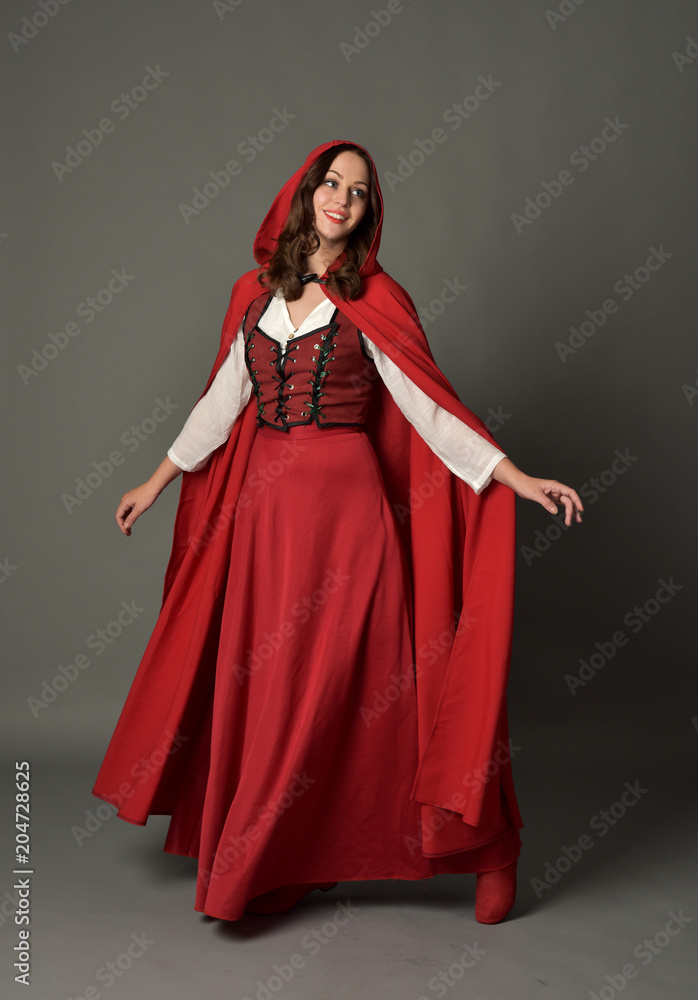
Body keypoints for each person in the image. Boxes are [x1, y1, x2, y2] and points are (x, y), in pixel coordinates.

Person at [92, 139, 583, 925]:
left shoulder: (376, 297)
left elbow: (429, 410)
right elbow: (222, 401)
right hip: (266, 522)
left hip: (349, 520)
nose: (341, 199)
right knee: (275, 690)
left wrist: (514, 476)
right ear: (306, 194)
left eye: (358, 192)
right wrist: (153, 483)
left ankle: (490, 846)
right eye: (331, 183)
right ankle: (290, 853)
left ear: (368, 214)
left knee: (369, 694)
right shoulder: (253, 294)